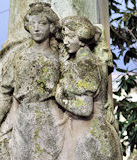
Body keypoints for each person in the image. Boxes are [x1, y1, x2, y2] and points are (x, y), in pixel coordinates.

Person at [0, 2, 65, 160]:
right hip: (22, 121)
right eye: (32, 23)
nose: (36, 28)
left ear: (52, 27)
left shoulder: (61, 56)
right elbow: (5, 95)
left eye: (42, 23)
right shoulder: (18, 56)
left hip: (53, 120)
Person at [55, 16, 123, 160]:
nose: (65, 42)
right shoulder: (94, 61)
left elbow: (85, 109)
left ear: (81, 38)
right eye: (64, 36)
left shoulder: (84, 65)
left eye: (70, 37)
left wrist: (60, 98)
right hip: (94, 133)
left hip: (89, 137)